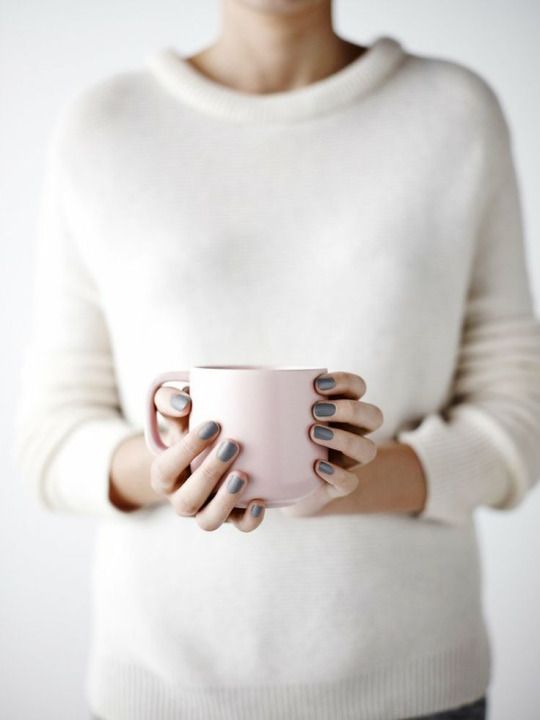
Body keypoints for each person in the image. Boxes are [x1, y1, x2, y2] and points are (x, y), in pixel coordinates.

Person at [13, 0, 540, 718]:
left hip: (414, 683)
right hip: (163, 690)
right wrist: (168, 471)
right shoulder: (104, 126)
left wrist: (363, 479)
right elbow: (49, 435)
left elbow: (517, 408)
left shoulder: (453, 112)